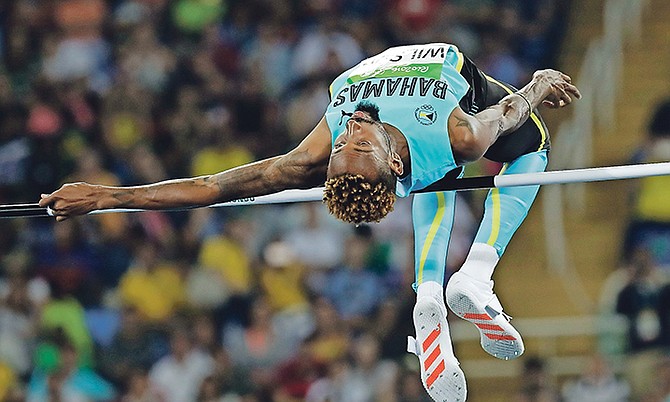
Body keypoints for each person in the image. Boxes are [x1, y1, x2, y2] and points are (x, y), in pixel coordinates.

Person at [39, 43, 580, 401]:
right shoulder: (458, 133)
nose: (351, 130)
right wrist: (536, 85)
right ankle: (468, 276)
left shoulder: (327, 144)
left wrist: (105, 194)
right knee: (527, 144)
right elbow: (511, 113)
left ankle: (440, 287)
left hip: (435, 73)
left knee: (442, 167)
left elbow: (210, 187)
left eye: (347, 139)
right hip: (432, 101)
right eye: (352, 142)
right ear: (389, 163)